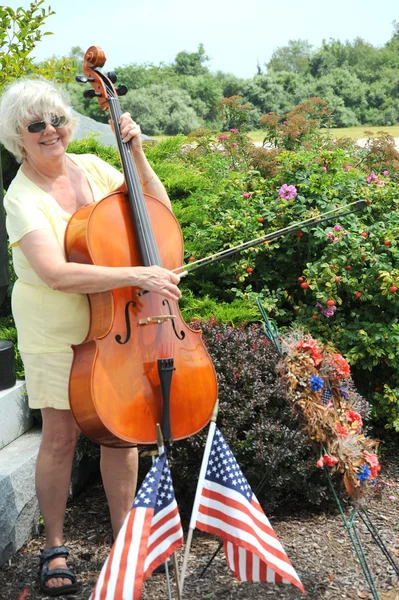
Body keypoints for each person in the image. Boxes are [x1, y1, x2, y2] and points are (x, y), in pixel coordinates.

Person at [0, 77, 181, 597]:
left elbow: (155, 206)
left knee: (120, 431)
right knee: (61, 435)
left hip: (114, 321)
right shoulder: (21, 197)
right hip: (56, 326)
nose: (50, 130)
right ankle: (54, 546)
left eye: (56, 119)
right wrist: (136, 277)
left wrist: (137, 154)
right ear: (18, 136)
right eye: (36, 125)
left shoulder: (95, 168)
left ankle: (124, 540)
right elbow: (55, 272)